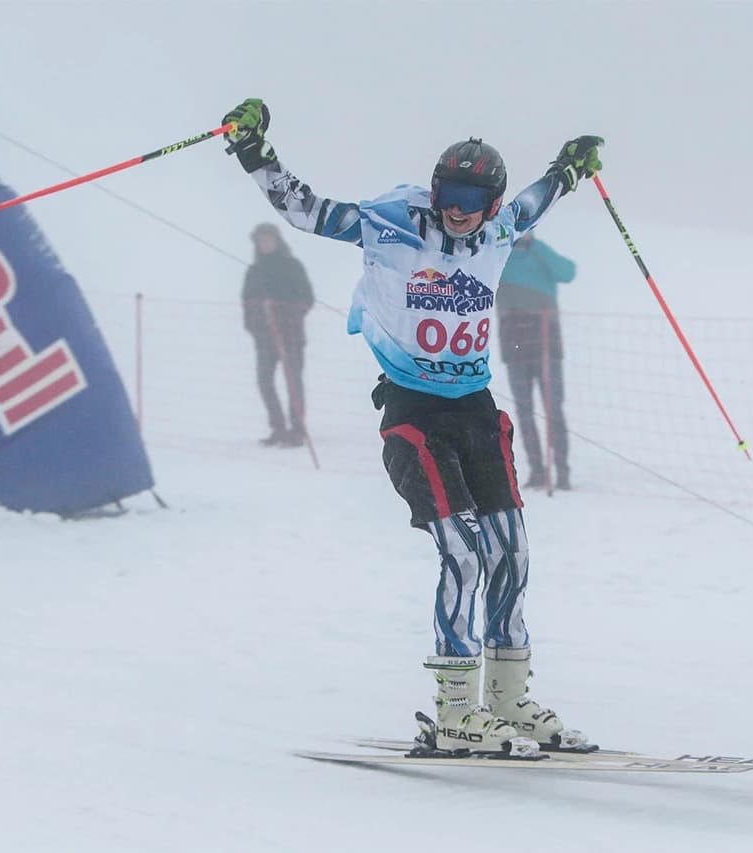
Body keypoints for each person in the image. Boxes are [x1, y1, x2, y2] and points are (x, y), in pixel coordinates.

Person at [221, 97, 602, 756]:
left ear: (490, 200)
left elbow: (538, 200)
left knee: (510, 548)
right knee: (462, 551)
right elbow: (306, 210)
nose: (458, 208)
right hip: (414, 412)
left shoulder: (500, 228)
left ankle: (507, 700)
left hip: (476, 407)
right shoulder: (393, 224)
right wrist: (255, 151)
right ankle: (456, 709)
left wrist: (568, 169)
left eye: (472, 197)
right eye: (449, 192)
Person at [497, 231, 577, 490]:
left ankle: (561, 470)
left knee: (552, 407)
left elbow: (567, 273)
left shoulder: (539, 254)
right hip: (514, 341)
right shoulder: (500, 256)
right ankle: (537, 470)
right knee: (524, 409)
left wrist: (535, 246)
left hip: (546, 341)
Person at [241, 222, 314, 447]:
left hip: (291, 336)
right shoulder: (254, 271)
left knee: (293, 382)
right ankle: (278, 428)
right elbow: (247, 304)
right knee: (265, 382)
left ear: (277, 240)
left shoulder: (293, 266)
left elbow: (306, 299)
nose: (265, 243)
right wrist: (257, 326)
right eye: (260, 240)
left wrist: (283, 314)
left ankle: (297, 430)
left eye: (268, 238)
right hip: (264, 339)